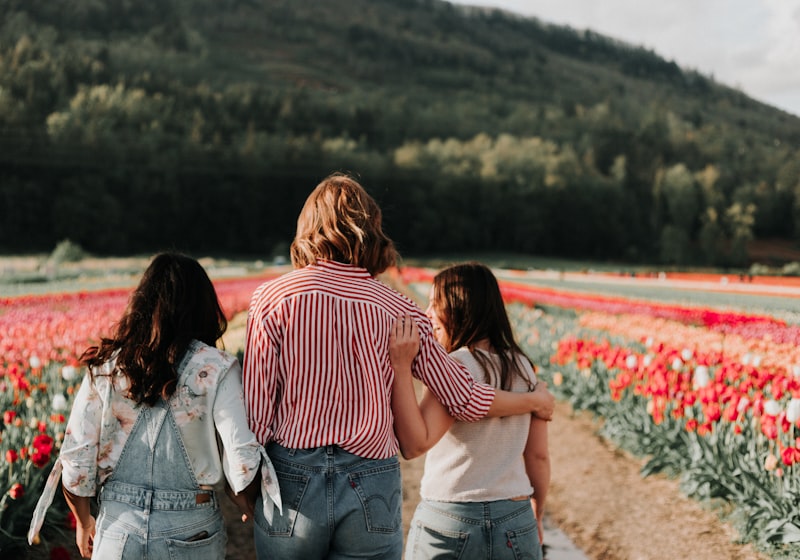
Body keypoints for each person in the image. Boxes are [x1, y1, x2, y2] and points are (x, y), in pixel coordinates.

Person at [242, 173, 554, 560]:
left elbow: (257, 412)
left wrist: (247, 488)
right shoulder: (399, 309)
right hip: (370, 478)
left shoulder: (272, 299)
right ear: (370, 230)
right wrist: (532, 401)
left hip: (292, 478)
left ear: (308, 228)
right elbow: (465, 398)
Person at [27, 252, 281, 559]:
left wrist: (83, 522)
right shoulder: (217, 367)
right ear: (203, 306)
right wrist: (246, 501)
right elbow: (242, 461)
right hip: (192, 529)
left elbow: (76, 460)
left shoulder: (107, 366)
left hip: (118, 531)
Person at [389, 262, 550, 560]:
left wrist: (400, 367)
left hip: (450, 515)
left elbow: (414, 444)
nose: (427, 314)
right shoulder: (524, 368)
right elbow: (538, 456)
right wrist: (537, 514)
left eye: (435, 304)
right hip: (515, 515)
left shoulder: (455, 367)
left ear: (459, 308)